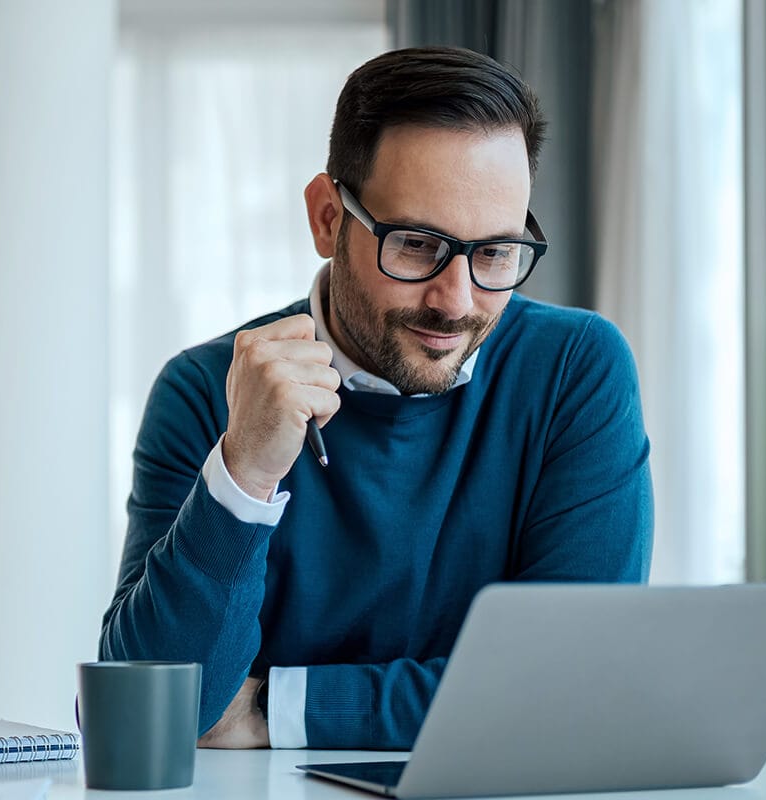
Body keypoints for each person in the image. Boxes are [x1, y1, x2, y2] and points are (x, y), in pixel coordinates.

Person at [99, 46, 653, 751]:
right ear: (329, 218)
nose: (456, 302)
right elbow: (143, 715)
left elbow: (575, 687)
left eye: (496, 253)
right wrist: (245, 475)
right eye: (418, 245)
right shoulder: (206, 390)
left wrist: (279, 710)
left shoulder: (575, 369)